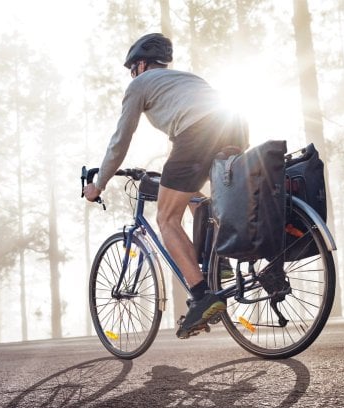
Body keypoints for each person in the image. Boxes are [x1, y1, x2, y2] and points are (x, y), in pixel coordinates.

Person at [82, 33, 249, 339]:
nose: (133, 75)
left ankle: (202, 296)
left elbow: (120, 141)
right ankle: (219, 263)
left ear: (141, 64)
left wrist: (99, 183)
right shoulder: (186, 79)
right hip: (234, 127)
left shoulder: (140, 85)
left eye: (133, 69)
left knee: (166, 218)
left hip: (196, 133)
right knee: (198, 199)